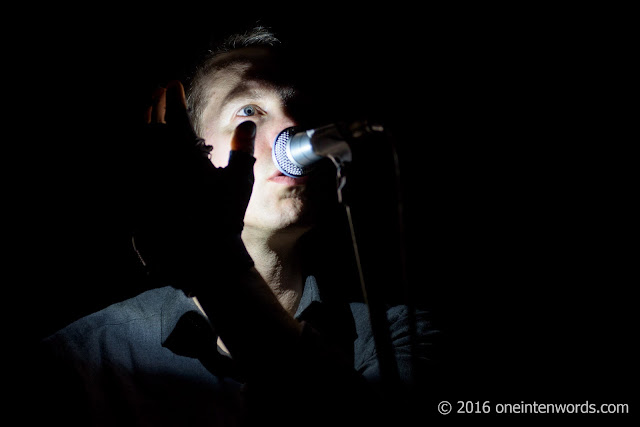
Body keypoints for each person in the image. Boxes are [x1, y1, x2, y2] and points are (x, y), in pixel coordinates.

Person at [36, 26, 439, 426]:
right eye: (248, 112)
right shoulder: (83, 359)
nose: (290, 131)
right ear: (188, 152)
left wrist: (213, 262)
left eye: (301, 111)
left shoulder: (398, 337)